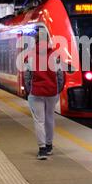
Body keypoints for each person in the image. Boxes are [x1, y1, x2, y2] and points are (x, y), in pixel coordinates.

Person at [24, 29, 64, 160]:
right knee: (49, 118)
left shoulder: (29, 56)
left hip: (36, 92)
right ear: (47, 40)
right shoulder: (55, 55)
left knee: (39, 120)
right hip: (52, 92)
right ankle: (49, 146)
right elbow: (60, 75)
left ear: (35, 40)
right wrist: (58, 89)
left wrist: (30, 90)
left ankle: (42, 150)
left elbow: (27, 76)